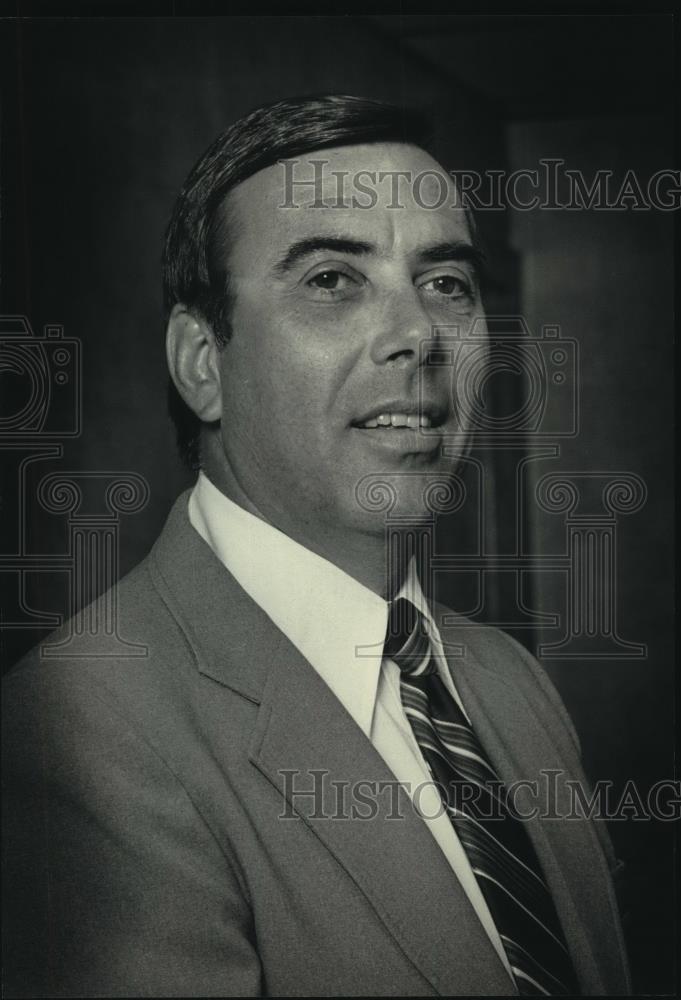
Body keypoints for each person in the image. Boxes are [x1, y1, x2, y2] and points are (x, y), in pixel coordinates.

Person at [2, 95, 630, 997]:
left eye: (446, 282)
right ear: (202, 363)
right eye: (333, 280)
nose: (418, 334)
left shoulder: (506, 678)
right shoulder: (76, 736)